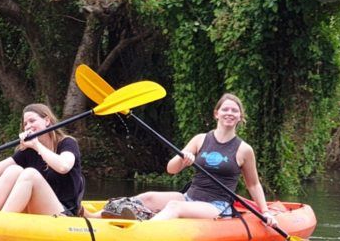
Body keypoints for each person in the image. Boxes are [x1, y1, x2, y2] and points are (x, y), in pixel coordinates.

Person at [93, 93, 275, 224]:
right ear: (216, 113)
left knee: (174, 206)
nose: (229, 113)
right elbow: (171, 169)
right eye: (225, 109)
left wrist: (265, 212)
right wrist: (183, 159)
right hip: (190, 197)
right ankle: (91, 219)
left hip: (217, 206)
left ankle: (142, 231)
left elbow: (253, 184)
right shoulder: (200, 139)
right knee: (146, 197)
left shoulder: (244, 149)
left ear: (240, 117)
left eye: (234, 111)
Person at [0, 103, 85, 216]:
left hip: (62, 213)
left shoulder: (67, 143)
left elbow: (63, 166)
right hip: (37, 210)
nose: (28, 126)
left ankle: (2, 222)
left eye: (32, 121)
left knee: (30, 174)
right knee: (13, 170)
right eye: (25, 123)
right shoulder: (28, 150)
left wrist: (37, 146)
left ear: (47, 121)